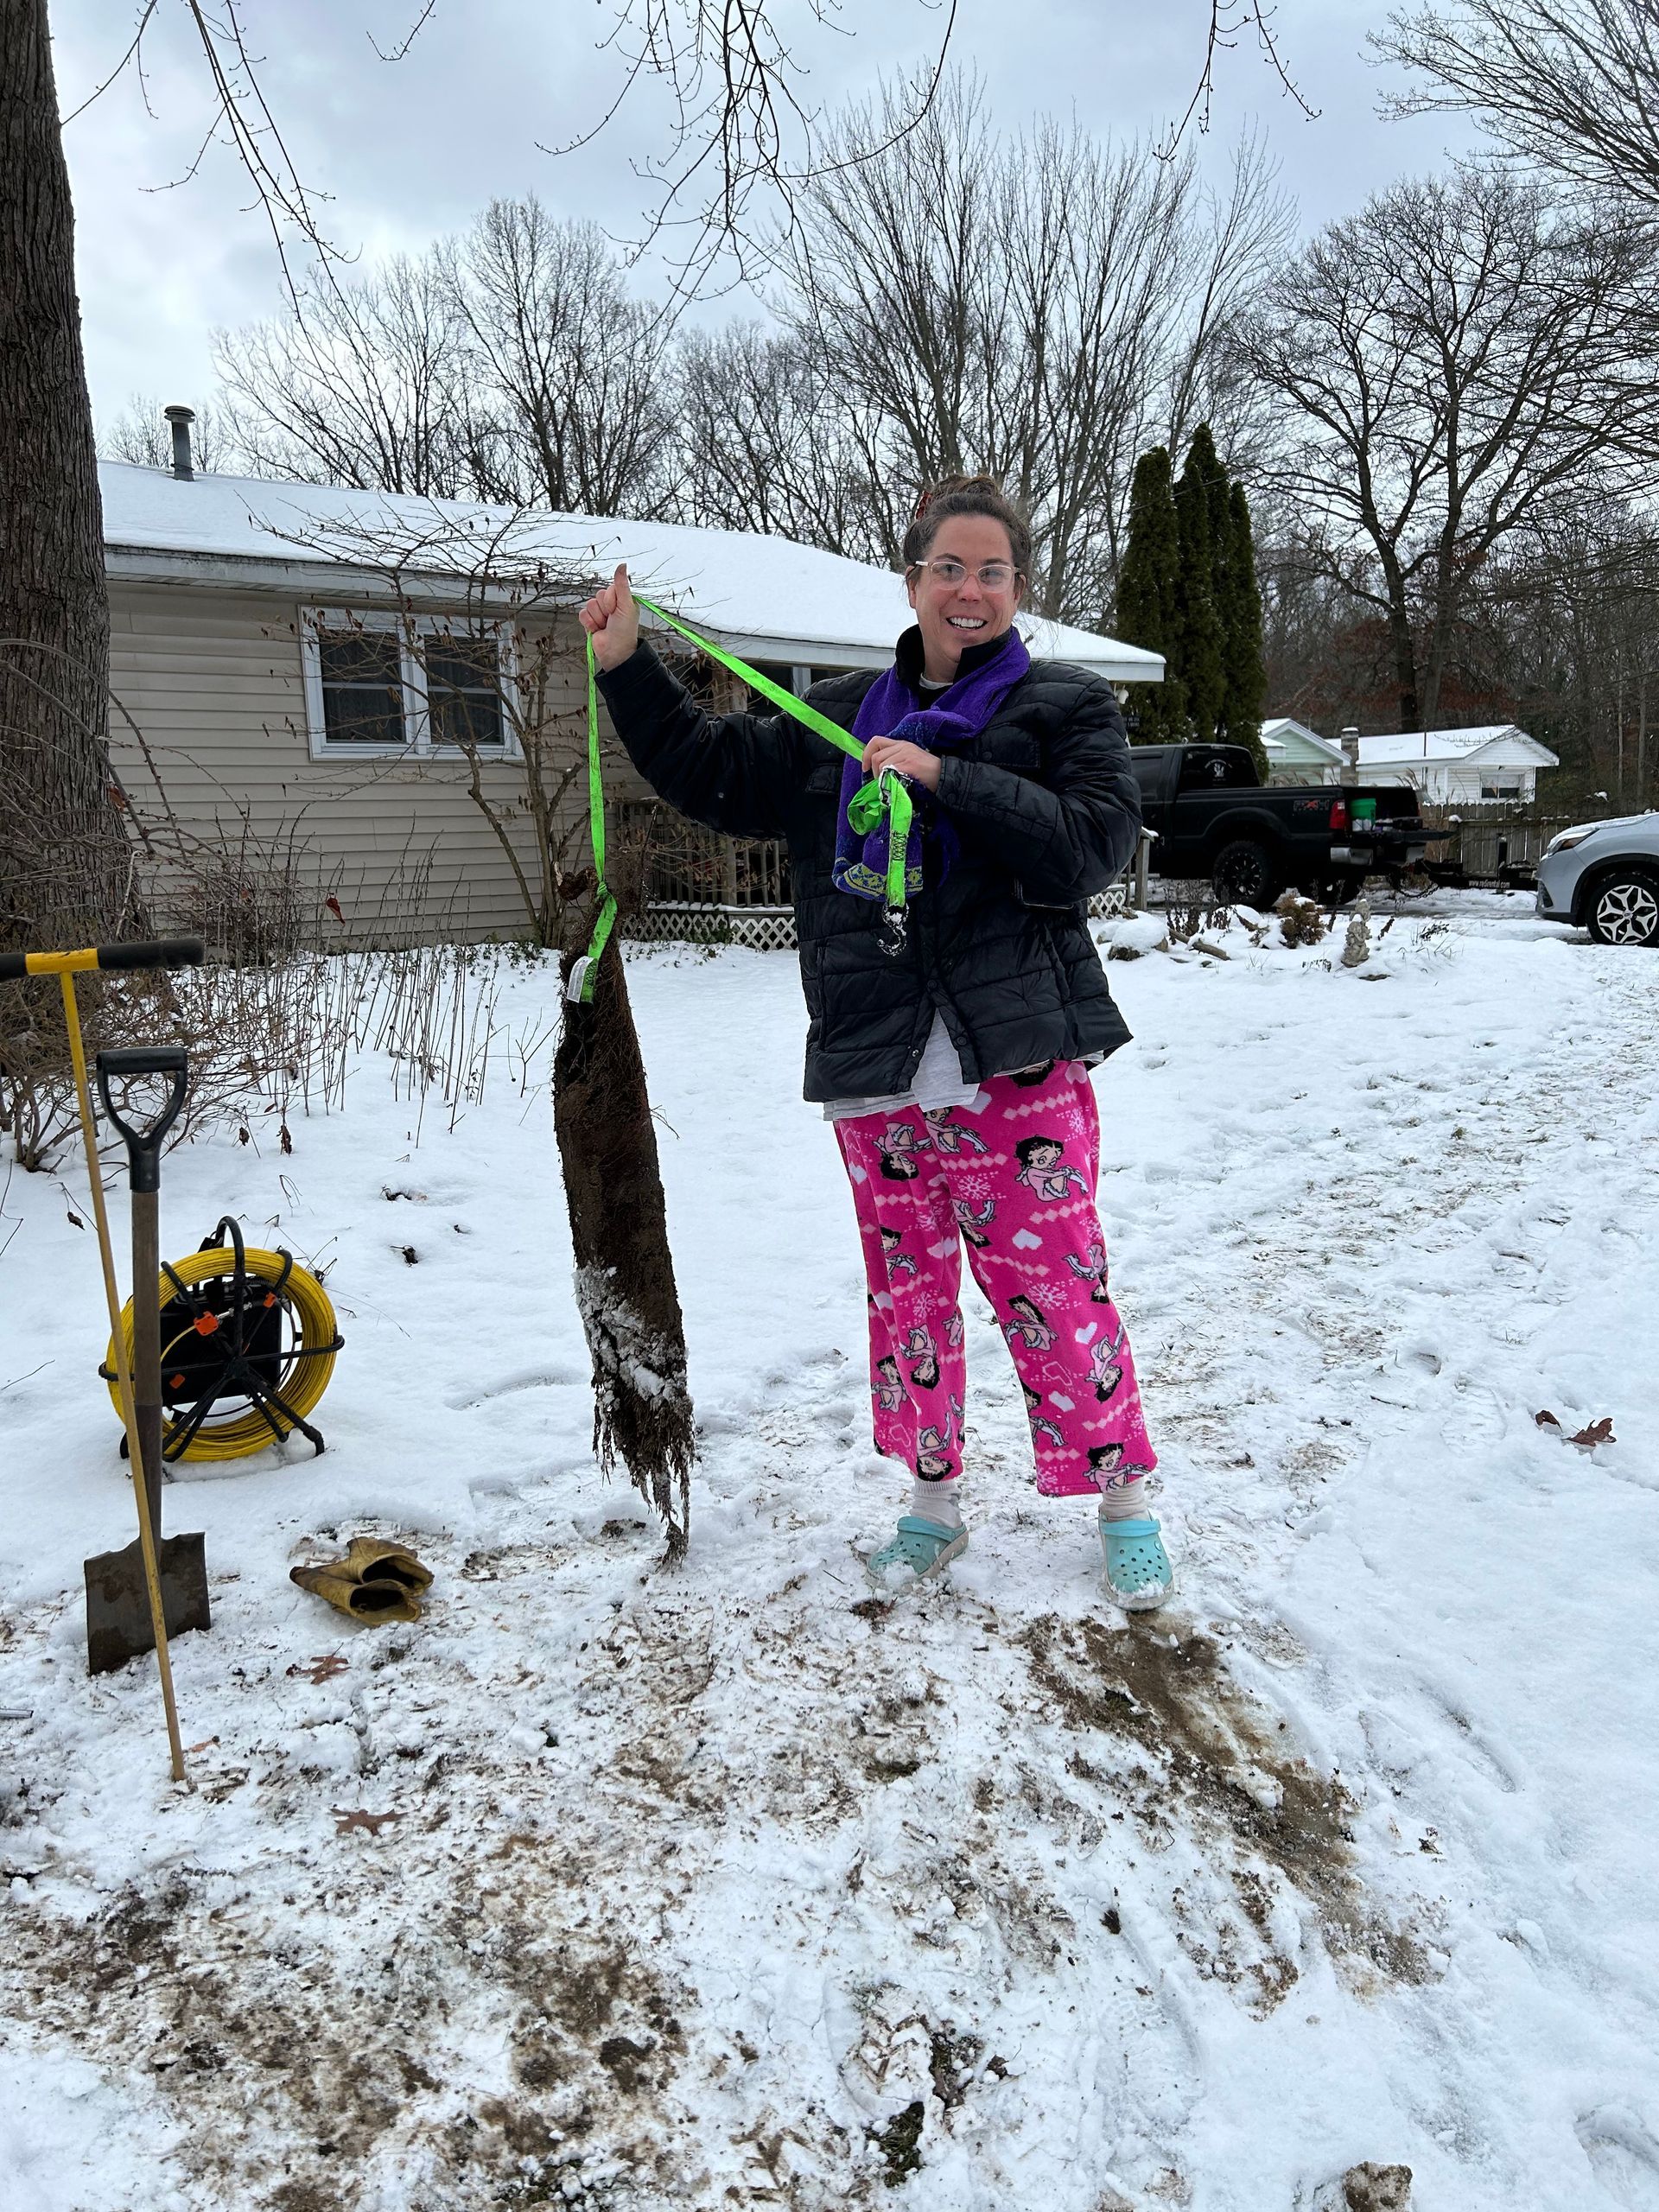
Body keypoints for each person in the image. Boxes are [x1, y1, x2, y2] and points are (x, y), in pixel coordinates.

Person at [579, 475, 1173, 1609]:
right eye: (948, 566)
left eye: (992, 570)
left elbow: (1089, 848)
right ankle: (933, 1504)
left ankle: (1124, 1498)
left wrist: (951, 778)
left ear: (1017, 588)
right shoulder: (839, 715)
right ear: (911, 582)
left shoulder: (1065, 709)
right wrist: (626, 665)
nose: (970, 589)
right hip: (877, 1069)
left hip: (1016, 1060)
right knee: (909, 1301)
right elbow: (709, 771)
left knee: (1059, 1291)